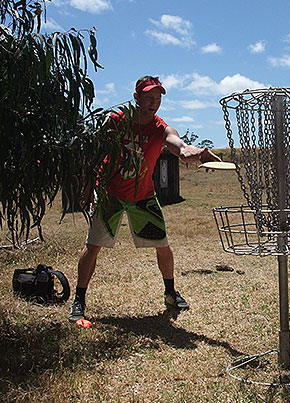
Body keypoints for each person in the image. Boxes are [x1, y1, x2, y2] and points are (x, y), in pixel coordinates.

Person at [69, 75, 221, 322]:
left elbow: (180, 148)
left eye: (158, 98)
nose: (154, 103)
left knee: (163, 246)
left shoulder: (161, 129)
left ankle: (170, 293)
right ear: (136, 98)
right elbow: (91, 152)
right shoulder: (115, 121)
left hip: (143, 196)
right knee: (93, 245)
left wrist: (198, 154)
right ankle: (79, 300)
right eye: (149, 97)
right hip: (111, 193)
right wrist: (87, 184)